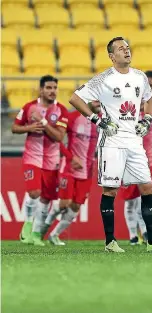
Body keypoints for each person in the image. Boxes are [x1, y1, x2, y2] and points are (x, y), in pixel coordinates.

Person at [68, 36, 152, 252]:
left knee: (148, 187)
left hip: (135, 141)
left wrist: (147, 118)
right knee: (111, 190)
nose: (126, 51)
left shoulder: (140, 77)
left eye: (127, 47)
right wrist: (97, 120)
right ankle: (110, 242)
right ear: (111, 56)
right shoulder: (103, 79)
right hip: (112, 141)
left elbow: (149, 97)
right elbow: (75, 98)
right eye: (121, 49)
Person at [11, 75, 69, 246]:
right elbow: (14, 127)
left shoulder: (62, 111)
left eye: (55, 88)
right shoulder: (29, 107)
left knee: (46, 199)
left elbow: (59, 136)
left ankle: (36, 234)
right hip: (32, 157)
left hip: (51, 160)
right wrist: (29, 127)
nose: (52, 91)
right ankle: (27, 226)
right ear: (41, 89)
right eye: (49, 88)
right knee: (34, 192)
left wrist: (43, 122)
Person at [41, 101, 101, 245]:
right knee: (64, 203)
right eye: (96, 99)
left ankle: (54, 235)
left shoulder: (102, 121)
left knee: (75, 206)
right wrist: (71, 157)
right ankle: (43, 228)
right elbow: (57, 139)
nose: (99, 102)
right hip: (69, 168)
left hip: (87, 171)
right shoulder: (72, 117)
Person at [119, 101, 152, 245]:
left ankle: (147, 231)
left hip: (150, 161)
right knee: (130, 200)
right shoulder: (124, 113)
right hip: (129, 162)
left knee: (151, 197)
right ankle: (133, 235)